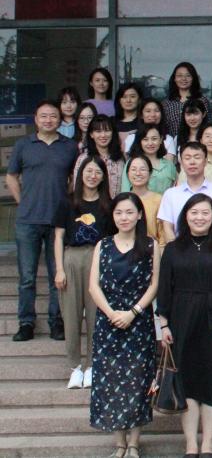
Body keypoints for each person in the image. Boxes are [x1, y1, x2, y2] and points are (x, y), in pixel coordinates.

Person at [157, 194, 212, 458]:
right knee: (187, 382)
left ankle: (208, 444)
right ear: (185, 216)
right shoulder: (173, 249)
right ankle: (191, 444)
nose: (200, 217)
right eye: (194, 212)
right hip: (181, 320)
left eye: (205, 212)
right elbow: (164, 289)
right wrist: (164, 325)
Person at [88, 192, 160, 458]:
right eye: (119, 212)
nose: (124, 217)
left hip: (139, 323)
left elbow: (154, 284)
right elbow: (93, 285)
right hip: (108, 325)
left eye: (129, 212)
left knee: (138, 382)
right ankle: (119, 443)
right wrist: (111, 313)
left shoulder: (151, 245)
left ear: (139, 214)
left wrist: (133, 312)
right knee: (110, 381)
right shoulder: (103, 245)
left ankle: (134, 444)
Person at [7, 100, 80, 342]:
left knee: (56, 276)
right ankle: (26, 323)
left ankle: (56, 322)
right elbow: (11, 177)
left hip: (58, 222)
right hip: (27, 221)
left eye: (53, 116)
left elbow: (74, 179)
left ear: (60, 119)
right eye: (44, 116)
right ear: (36, 119)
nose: (48, 120)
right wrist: (22, 202)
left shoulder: (69, 146)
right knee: (27, 277)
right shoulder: (23, 144)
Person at [54, 156, 110, 388]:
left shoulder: (108, 205)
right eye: (89, 171)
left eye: (97, 172)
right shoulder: (68, 202)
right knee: (71, 315)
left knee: (96, 315)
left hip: (98, 258)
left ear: (103, 177)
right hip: (72, 258)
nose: (92, 176)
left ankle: (92, 366)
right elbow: (58, 237)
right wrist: (59, 269)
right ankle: (75, 367)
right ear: (81, 174)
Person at [158, 142, 212, 239]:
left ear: (205, 161)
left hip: (211, 247)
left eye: (197, 157)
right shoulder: (170, 194)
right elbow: (167, 228)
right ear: (181, 162)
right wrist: (176, 248)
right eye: (187, 158)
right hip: (178, 246)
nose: (192, 162)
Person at [74, 114, 124, 197]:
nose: (103, 135)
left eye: (107, 130)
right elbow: (77, 187)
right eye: (98, 131)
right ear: (91, 134)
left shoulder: (120, 159)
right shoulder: (83, 158)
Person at [124, 155, 168, 246]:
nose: (138, 173)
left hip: (151, 250)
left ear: (150, 173)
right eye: (133, 169)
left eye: (143, 169)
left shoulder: (159, 200)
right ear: (127, 174)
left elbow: (163, 235)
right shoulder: (122, 200)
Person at [162, 61, 212, 138]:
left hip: (197, 142)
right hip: (173, 143)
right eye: (179, 75)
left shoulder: (202, 100)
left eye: (188, 75)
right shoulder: (167, 103)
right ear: (174, 79)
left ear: (193, 78)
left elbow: (209, 124)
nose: (184, 79)